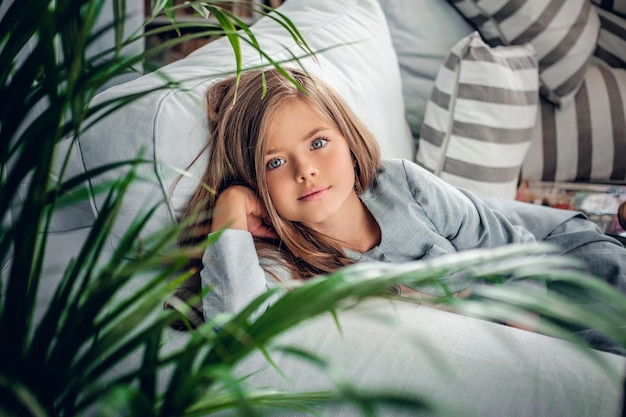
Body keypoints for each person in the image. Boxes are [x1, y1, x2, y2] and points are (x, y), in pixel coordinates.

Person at [171, 67, 626, 351]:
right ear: (255, 183)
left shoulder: (401, 184)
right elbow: (233, 337)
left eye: (318, 142)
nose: (305, 170)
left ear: (349, 143)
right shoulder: (282, 263)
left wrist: (522, 336)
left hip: (551, 261)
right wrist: (229, 210)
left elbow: (518, 251)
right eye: (275, 161)